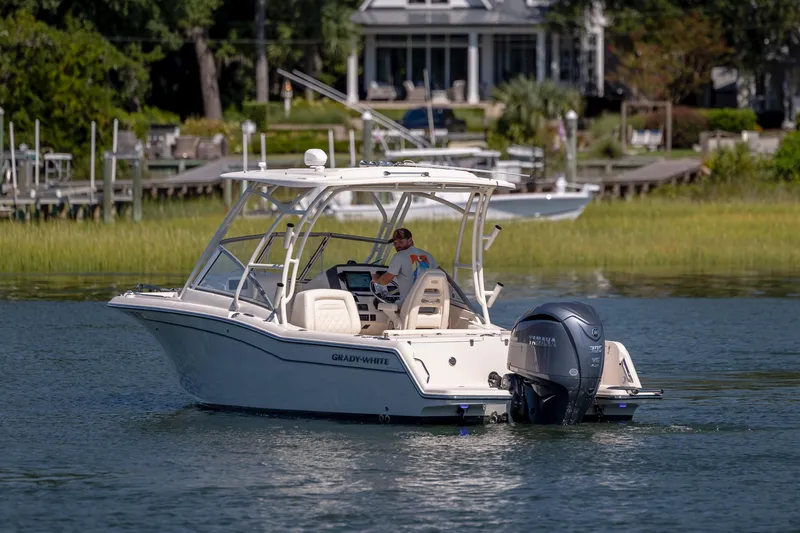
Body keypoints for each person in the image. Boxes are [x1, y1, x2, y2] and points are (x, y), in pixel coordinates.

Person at [371, 228, 439, 303]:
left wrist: (376, 279)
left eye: (401, 242)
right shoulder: (428, 256)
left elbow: (385, 281)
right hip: (431, 306)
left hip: (409, 307)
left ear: (410, 240)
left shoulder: (399, 256)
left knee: (381, 306)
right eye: (395, 243)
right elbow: (445, 276)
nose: (398, 246)